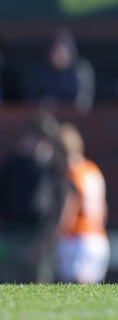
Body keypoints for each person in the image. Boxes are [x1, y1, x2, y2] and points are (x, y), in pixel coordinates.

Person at [0, 111, 72, 283]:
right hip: (12, 234)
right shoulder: (11, 166)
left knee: (39, 285)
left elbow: (61, 210)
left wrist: (45, 242)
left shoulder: (55, 170)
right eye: (34, 138)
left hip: (39, 235)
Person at [54, 123, 110, 284]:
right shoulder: (92, 169)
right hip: (98, 238)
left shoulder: (71, 172)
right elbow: (104, 209)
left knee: (74, 294)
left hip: (77, 239)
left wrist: (53, 238)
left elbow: (68, 212)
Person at [27, 29, 95, 114]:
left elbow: (83, 102)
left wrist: (68, 107)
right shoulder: (40, 72)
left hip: (75, 119)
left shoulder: (81, 70)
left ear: (69, 52)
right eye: (54, 52)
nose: (57, 56)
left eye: (61, 52)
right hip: (47, 120)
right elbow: (32, 100)